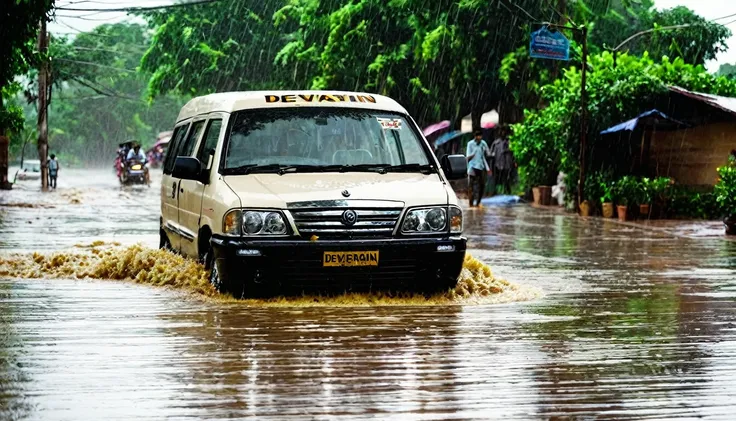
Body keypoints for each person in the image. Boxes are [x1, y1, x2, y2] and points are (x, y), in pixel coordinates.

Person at [466, 129, 491, 207]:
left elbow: (487, 153)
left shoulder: (483, 143)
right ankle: (471, 203)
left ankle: (478, 202)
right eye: (478, 136)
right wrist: (473, 153)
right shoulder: (470, 144)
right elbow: (467, 157)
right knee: (471, 186)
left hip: (481, 167)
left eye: (481, 136)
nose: (480, 138)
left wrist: (487, 168)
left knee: (482, 185)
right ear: (475, 136)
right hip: (472, 167)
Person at [490, 126, 515, 195]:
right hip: (497, 164)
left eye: (504, 131)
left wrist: (513, 161)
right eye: (501, 131)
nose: (502, 133)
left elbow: (513, 153)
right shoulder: (496, 143)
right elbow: (491, 154)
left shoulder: (509, 142)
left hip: (507, 164)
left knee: (506, 179)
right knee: (496, 179)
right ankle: (494, 193)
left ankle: (508, 192)